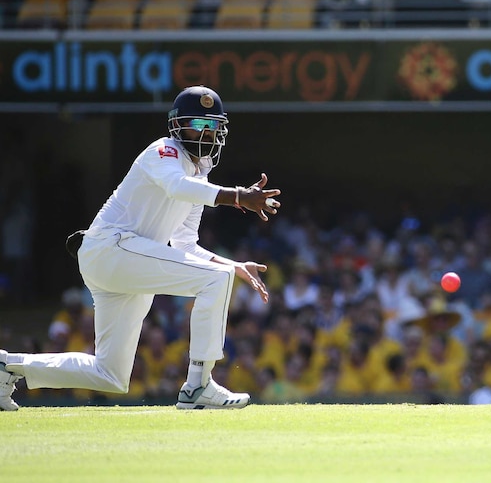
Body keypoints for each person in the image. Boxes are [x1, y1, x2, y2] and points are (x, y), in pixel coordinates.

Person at [0, 85, 281, 411]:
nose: (207, 133)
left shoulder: (200, 174)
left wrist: (234, 266)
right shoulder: (164, 151)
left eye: (213, 126)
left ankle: (8, 367)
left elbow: (186, 243)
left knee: (110, 375)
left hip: (125, 261)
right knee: (214, 280)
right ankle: (198, 386)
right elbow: (176, 186)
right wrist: (236, 196)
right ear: (178, 126)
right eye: (199, 125)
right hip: (112, 249)